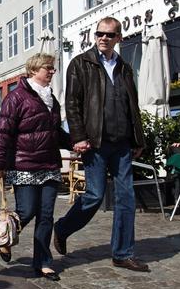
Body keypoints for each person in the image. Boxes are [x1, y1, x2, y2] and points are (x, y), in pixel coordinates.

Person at [54, 16, 150, 273]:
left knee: (126, 197)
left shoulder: (125, 68)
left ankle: (122, 253)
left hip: (122, 143)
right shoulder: (80, 63)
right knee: (95, 196)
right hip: (95, 142)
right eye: (100, 34)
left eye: (109, 35)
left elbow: (132, 106)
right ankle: (62, 228)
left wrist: (137, 138)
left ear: (119, 37)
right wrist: (78, 137)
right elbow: (72, 104)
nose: (103, 38)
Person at [0, 53, 70, 281]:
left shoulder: (51, 99)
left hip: (49, 164)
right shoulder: (15, 98)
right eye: (48, 68)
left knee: (46, 216)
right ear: (34, 70)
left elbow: (55, 132)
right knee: (27, 211)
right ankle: (5, 237)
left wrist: (76, 141)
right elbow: (2, 132)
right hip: (24, 164)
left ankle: (43, 263)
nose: (52, 72)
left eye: (53, 68)